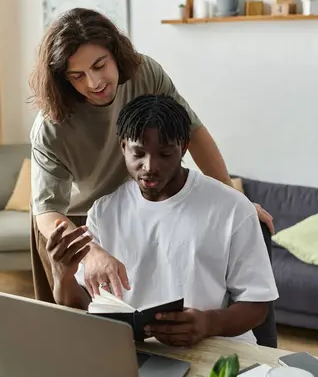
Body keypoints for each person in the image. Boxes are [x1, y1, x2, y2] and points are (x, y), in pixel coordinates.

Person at [29, 7, 274, 303]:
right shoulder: (50, 124)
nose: (94, 83)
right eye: (77, 76)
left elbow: (192, 132)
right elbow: (47, 211)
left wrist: (236, 201)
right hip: (75, 226)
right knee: (76, 327)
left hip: (138, 206)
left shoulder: (145, 74)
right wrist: (90, 250)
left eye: (99, 65)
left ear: (114, 52)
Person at [47, 94, 279, 346]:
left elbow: (258, 306)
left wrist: (208, 323)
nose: (150, 166)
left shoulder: (233, 208)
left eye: (165, 154)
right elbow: (84, 309)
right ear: (123, 146)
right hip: (132, 353)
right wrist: (63, 277)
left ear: (184, 147)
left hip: (214, 350)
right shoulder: (104, 212)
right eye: (138, 153)